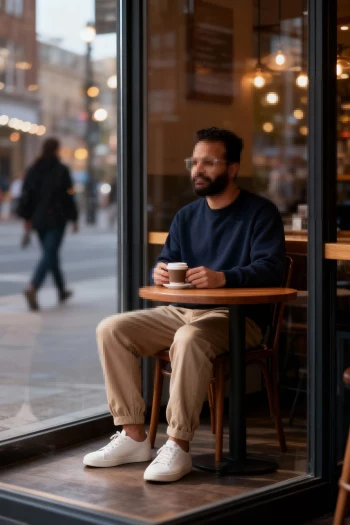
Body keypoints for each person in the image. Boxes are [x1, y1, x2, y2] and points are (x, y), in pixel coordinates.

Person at [83, 127, 286, 483]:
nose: (198, 169)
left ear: (233, 167)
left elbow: (272, 267)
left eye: (209, 162)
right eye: (195, 161)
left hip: (237, 318)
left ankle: (179, 444)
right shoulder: (186, 216)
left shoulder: (260, 212)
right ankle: (133, 436)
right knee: (111, 329)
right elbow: (167, 260)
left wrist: (224, 277)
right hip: (181, 310)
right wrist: (159, 271)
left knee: (190, 338)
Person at [17, 138, 79, 311]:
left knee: (50, 253)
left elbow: (26, 196)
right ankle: (33, 287)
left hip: (38, 219)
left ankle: (61, 290)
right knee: (50, 253)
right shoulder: (61, 170)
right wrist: (74, 218)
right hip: (57, 219)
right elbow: (69, 197)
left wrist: (27, 219)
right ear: (57, 150)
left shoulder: (34, 169)